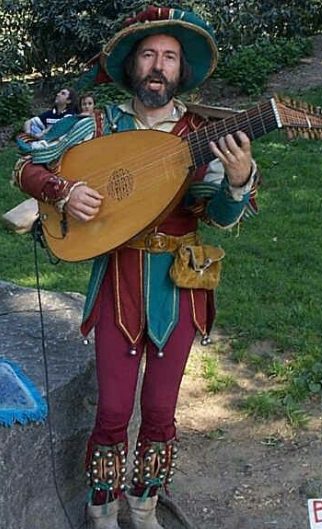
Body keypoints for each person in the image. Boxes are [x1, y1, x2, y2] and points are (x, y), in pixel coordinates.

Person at [14, 6, 259, 529]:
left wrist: (238, 183)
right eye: (148, 54)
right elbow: (26, 165)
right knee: (112, 410)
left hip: (178, 287)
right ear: (132, 66)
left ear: (181, 71)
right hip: (117, 284)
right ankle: (102, 508)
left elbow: (215, 214)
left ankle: (144, 506)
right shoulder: (101, 125)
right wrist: (65, 189)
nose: (158, 65)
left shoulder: (202, 132)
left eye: (169, 57)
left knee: (162, 412)